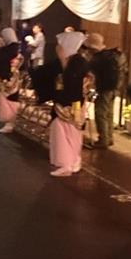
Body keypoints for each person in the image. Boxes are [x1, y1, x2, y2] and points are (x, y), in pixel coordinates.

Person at [48, 31, 90, 177]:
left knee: (64, 133)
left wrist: (62, 62)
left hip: (70, 103)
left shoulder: (76, 63)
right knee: (72, 133)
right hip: (74, 102)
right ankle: (73, 161)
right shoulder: (77, 60)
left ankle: (66, 164)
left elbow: (70, 83)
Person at [86, 33, 125, 149]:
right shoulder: (113, 54)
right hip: (115, 88)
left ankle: (103, 140)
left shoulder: (98, 58)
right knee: (109, 114)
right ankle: (109, 138)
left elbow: (88, 71)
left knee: (100, 114)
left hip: (104, 88)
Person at [0, 28, 22, 134]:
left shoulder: (10, 50)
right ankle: (9, 123)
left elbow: (3, 61)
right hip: (12, 77)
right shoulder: (14, 48)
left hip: (9, 77)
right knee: (10, 99)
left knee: (9, 99)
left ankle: (9, 123)